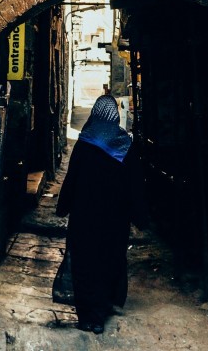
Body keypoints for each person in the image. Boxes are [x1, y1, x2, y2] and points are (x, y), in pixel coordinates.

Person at [56, 94, 147, 334]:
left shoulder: (85, 143)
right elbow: (135, 185)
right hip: (115, 221)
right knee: (109, 260)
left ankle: (87, 315)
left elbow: (71, 179)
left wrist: (63, 206)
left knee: (85, 264)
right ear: (115, 116)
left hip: (84, 218)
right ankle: (101, 312)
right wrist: (140, 217)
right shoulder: (125, 146)